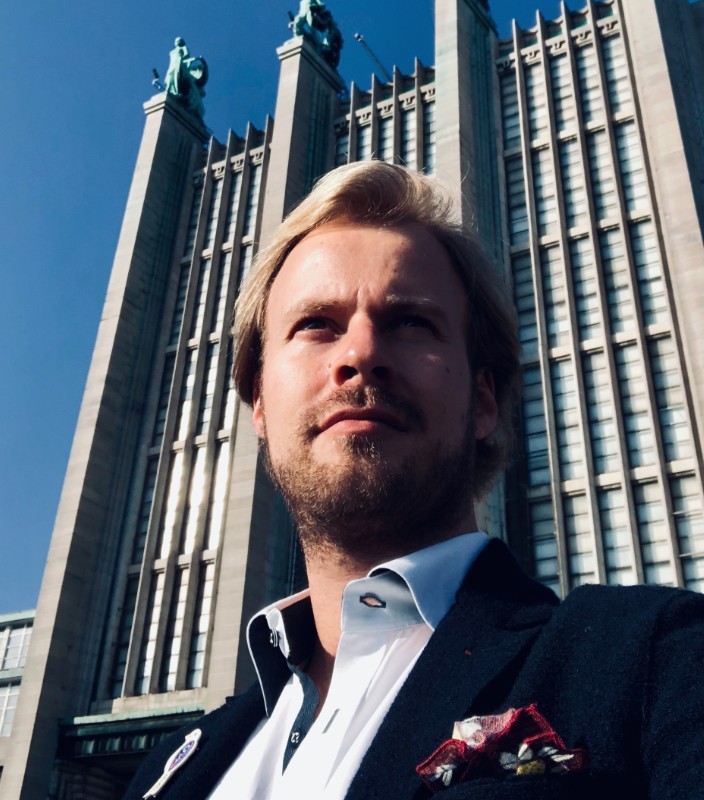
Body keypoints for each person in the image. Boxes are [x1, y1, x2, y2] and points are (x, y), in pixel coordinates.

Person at [125, 161, 704, 800]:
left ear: (484, 400)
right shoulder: (170, 771)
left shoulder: (659, 659)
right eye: (316, 324)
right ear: (258, 402)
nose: (360, 353)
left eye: (410, 323)